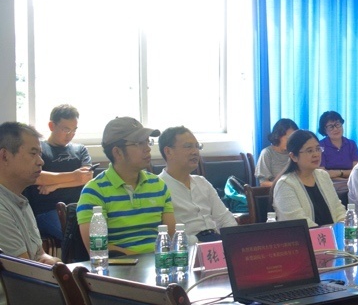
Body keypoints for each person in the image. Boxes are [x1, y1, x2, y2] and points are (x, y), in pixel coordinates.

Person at [77, 117, 175, 255]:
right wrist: (143, 261)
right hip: (122, 266)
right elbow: (98, 249)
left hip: (160, 262)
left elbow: (170, 238)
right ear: (117, 152)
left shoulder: (158, 185)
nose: (147, 148)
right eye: (139, 143)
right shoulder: (94, 191)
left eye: (147, 142)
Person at [0, 122, 62, 305]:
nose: (41, 162)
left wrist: (55, 262)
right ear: (4, 156)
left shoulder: (20, 200)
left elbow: (40, 255)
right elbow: (25, 273)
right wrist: (53, 266)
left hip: (29, 301)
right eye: (33, 153)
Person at [24, 104, 93, 242]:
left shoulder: (80, 149)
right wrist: (74, 176)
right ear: (52, 126)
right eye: (66, 129)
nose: (70, 135)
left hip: (79, 208)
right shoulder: (39, 148)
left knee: (99, 234)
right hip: (47, 211)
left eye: (74, 130)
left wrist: (55, 185)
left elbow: (86, 177)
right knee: (78, 238)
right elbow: (35, 177)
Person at [158, 126, 237, 244]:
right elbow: (168, 234)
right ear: (168, 152)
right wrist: (198, 244)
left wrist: (232, 239)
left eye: (197, 146)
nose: (195, 152)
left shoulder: (202, 182)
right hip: (188, 247)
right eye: (188, 146)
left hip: (216, 240)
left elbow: (224, 218)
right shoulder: (158, 187)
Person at [273, 130, 346, 227]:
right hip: (304, 235)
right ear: (293, 156)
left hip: (332, 233)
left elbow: (338, 209)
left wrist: (343, 227)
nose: (316, 154)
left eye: (318, 149)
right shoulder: (285, 184)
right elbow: (300, 223)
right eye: (309, 151)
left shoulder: (323, 176)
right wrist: (328, 233)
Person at [255, 118, 299, 187]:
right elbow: (263, 183)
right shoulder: (267, 153)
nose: (291, 142)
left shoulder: (296, 153)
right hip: (276, 191)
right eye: (288, 138)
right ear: (278, 136)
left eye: (294, 139)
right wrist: (284, 186)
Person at [318, 110, 358, 180]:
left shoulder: (351, 144)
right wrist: (344, 178)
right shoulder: (320, 146)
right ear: (324, 130)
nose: (335, 129)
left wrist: (338, 173)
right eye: (331, 127)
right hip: (328, 182)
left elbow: (356, 171)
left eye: (337, 124)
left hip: (351, 181)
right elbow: (321, 173)